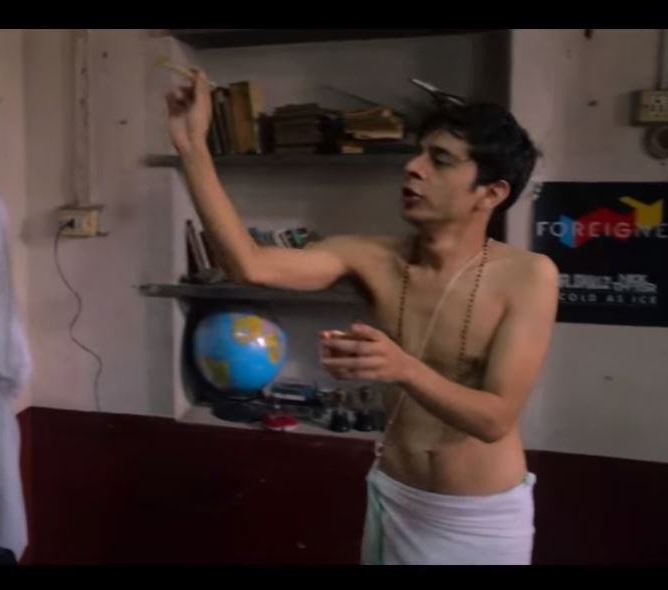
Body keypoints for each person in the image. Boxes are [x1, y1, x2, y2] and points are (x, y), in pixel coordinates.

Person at [166, 71, 559, 565]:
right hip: (394, 495)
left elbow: (495, 419)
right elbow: (251, 265)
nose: (412, 168)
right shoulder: (370, 256)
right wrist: (192, 147)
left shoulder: (529, 276)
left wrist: (403, 368)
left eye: (439, 160)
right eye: (417, 154)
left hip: (478, 519)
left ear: (491, 193)